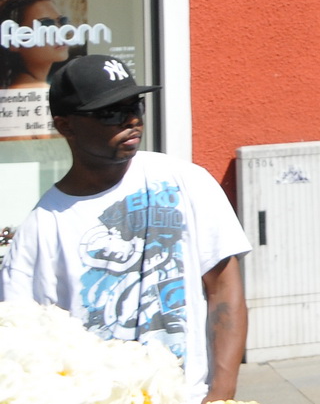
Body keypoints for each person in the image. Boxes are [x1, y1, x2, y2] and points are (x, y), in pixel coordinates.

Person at [0, 55, 250, 403]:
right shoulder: (41, 229)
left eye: (135, 106)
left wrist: (221, 394)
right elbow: (27, 349)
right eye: (109, 112)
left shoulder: (186, 181)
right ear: (65, 125)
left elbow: (224, 291)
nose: (131, 120)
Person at [0, 0, 69, 89]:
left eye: (62, 21)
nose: (59, 31)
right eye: (45, 25)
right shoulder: (34, 90)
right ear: (13, 42)